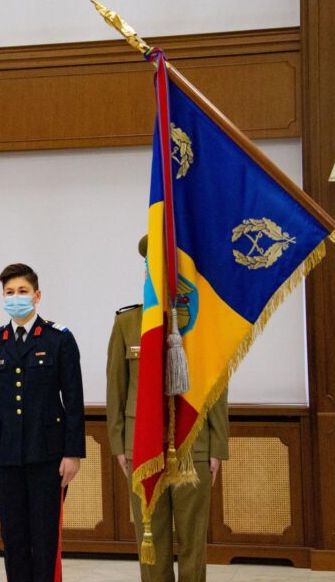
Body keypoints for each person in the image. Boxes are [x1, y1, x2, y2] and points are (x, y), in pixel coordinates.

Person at [105, 235, 229, 582]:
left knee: (193, 541)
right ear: (146, 269)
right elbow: (116, 388)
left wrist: (217, 446)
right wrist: (119, 444)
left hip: (194, 444)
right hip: (143, 447)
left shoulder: (200, 323)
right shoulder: (128, 322)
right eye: (155, 265)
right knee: (151, 541)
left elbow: (217, 387)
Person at [0, 263, 85, 582]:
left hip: (47, 455)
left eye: (22, 291)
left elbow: (73, 401)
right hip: (4, 457)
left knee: (45, 540)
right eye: (9, 292)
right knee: (14, 540)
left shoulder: (59, 339)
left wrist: (73, 453)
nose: (15, 297)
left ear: (37, 295)